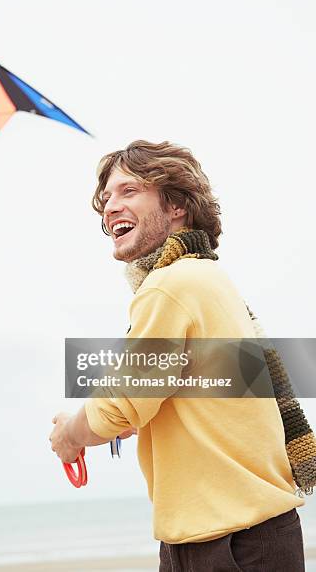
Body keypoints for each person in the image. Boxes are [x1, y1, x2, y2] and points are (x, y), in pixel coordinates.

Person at [49, 140, 306, 571]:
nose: (111, 206)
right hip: (234, 536)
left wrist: (70, 435)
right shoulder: (207, 279)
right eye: (107, 197)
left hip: (231, 544)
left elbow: (121, 405)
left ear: (177, 207)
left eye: (129, 191)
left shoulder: (172, 284)